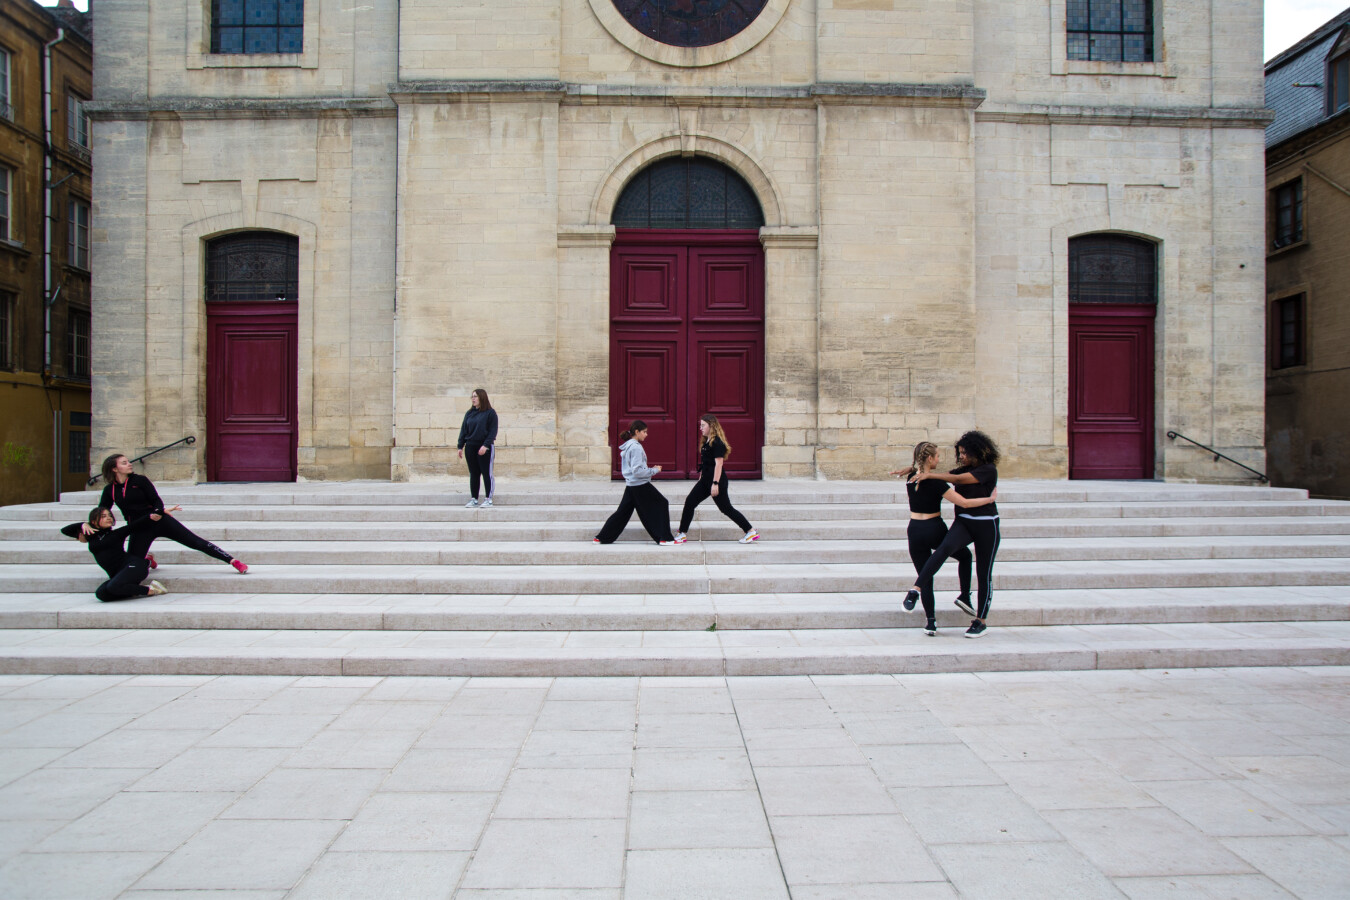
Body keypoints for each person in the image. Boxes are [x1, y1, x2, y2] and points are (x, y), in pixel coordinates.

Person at [902, 430, 1002, 638]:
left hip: (986, 525)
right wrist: (915, 469)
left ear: (978, 452)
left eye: (965, 453)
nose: (962, 456)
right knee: (945, 548)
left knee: (984, 573)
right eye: (961, 452)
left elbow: (961, 479)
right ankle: (916, 589)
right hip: (964, 523)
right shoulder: (960, 469)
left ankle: (980, 621)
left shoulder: (988, 470)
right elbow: (948, 476)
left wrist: (928, 473)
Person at [96, 454, 248, 573]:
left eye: (128, 461)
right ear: (114, 469)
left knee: (195, 542)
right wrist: (87, 525)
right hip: (138, 527)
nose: (129, 464)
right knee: (132, 563)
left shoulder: (140, 481)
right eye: (124, 463)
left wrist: (158, 512)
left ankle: (233, 561)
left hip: (160, 521)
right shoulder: (110, 490)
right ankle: (148, 560)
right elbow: (102, 510)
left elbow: (156, 500)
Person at [674, 414, 758, 544]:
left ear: (711, 426)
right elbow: (708, 463)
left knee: (726, 508)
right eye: (700, 425)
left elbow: (719, 464)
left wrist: (715, 483)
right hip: (705, 481)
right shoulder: (706, 441)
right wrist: (701, 476)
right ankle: (682, 533)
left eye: (703, 425)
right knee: (690, 502)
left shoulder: (717, 442)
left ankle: (750, 531)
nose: (701, 428)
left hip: (716, 481)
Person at [594, 420, 676, 545]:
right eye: (644, 432)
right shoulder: (636, 447)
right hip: (639, 485)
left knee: (622, 512)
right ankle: (664, 538)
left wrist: (649, 470)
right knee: (662, 503)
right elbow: (637, 471)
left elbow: (635, 469)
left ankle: (602, 537)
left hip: (632, 485)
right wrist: (654, 470)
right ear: (637, 432)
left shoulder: (629, 446)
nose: (646, 435)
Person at [62, 507, 167, 602]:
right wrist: (82, 524)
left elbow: (137, 524)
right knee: (101, 594)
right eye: (104, 516)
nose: (109, 518)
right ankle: (132, 589)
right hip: (119, 574)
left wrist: (160, 511)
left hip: (134, 566)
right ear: (94, 521)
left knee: (114, 587)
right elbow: (65, 530)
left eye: (110, 515)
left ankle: (152, 589)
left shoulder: (117, 534)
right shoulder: (91, 536)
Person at [457, 388, 499, 508]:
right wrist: (460, 446)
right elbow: (463, 430)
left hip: (484, 447)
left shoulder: (490, 413)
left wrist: (485, 445)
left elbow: (492, 431)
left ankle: (488, 499)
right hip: (471, 446)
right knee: (474, 473)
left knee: (486, 473)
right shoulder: (469, 413)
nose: (473, 399)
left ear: (482, 397)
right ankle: (474, 498)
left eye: (475, 396)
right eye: (472, 396)